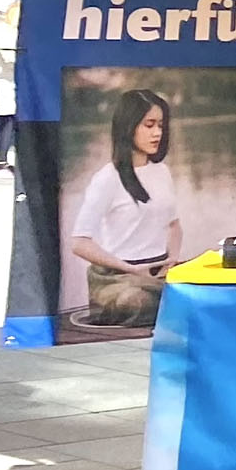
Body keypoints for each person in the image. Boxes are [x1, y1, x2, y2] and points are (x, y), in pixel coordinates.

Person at [68, 89, 181, 328]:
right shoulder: (107, 178)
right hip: (116, 277)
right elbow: (79, 242)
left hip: (158, 270)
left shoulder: (161, 172)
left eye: (161, 125)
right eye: (149, 125)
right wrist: (129, 268)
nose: (157, 133)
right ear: (128, 127)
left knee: (201, 290)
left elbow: (173, 224)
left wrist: (172, 259)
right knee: (139, 302)